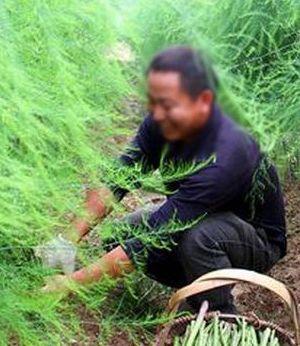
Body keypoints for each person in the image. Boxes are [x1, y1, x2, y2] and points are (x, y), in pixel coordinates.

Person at [40, 45, 286, 314]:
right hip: (196, 215)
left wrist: (69, 285)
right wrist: (68, 240)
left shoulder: (228, 153)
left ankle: (218, 314)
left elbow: (155, 237)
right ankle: (195, 284)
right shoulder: (162, 121)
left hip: (255, 238)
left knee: (198, 238)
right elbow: (117, 179)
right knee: (122, 233)